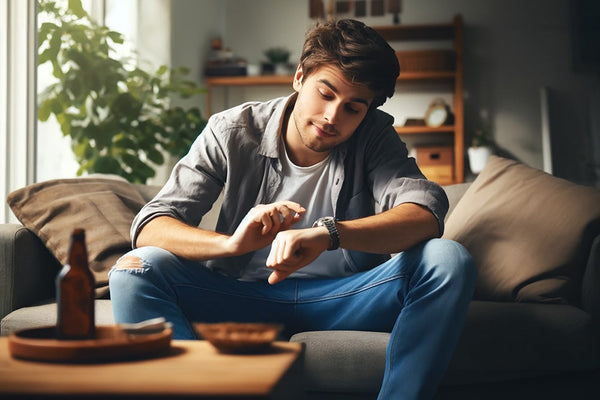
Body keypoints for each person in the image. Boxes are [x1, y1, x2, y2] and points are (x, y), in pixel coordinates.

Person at [109, 18, 477, 400]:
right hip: (240, 296)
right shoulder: (232, 130)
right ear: (300, 77)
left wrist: (330, 235)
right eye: (326, 93)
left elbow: (424, 212)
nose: (333, 116)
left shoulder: (374, 136)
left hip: (345, 298)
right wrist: (231, 244)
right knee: (135, 269)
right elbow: (152, 224)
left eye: (353, 107)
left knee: (447, 258)